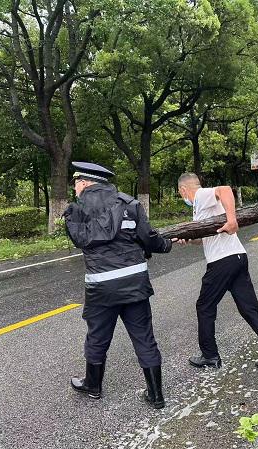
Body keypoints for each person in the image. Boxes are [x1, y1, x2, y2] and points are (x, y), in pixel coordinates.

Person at [63, 161, 174, 409]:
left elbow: (81, 241)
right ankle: (156, 395)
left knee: (97, 337)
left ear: (84, 183)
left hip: (101, 289)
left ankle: (93, 386)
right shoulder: (130, 204)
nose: (75, 190)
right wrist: (166, 244)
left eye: (76, 185)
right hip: (134, 284)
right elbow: (149, 238)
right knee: (144, 337)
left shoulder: (74, 211)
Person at [176, 173, 258, 370]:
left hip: (222, 261)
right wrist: (189, 239)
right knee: (249, 310)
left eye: (180, 193)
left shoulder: (201, 195)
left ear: (183, 190)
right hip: (237, 258)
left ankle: (210, 355)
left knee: (204, 306)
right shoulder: (199, 207)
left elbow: (225, 189)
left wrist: (232, 219)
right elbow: (205, 238)